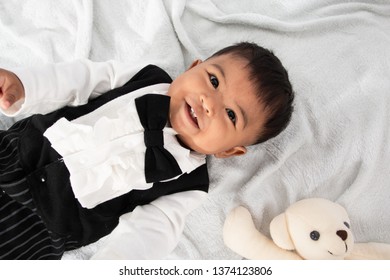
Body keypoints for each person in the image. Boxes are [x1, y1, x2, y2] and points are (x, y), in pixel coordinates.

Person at [0, 42, 294, 260]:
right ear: (193, 68)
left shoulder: (189, 185)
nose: (209, 102)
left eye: (231, 114)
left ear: (229, 151)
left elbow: (152, 233)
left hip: (39, 227)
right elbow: (82, 80)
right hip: (15, 149)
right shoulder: (147, 79)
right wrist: (26, 86)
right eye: (214, 81)